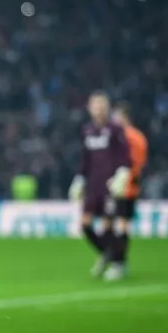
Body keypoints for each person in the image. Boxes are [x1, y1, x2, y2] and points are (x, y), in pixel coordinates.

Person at [68, 91, 132, 279]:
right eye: (95, 105)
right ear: (89, 108)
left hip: (109, 186)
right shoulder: (87, 130)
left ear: (107, 108)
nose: (99, 109)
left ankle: (119, 264)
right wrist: (79, 180)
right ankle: (109, 255)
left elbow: (124, 156)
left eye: (102, 105)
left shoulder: (115, 130)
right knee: (85, 225)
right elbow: (85, 160)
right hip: (92, 186)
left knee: (107, 226)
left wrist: (122, 174)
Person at [104, 102, 148, 280]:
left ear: (124, 117)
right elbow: (140, 163)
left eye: (116, 117)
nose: (114, 121)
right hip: (131, 186)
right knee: (122, 225)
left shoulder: (125, 136)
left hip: (121, 186)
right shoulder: (140, 137)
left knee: (116, 225)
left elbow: (126, 162)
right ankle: (116, 260)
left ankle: (118, 262)